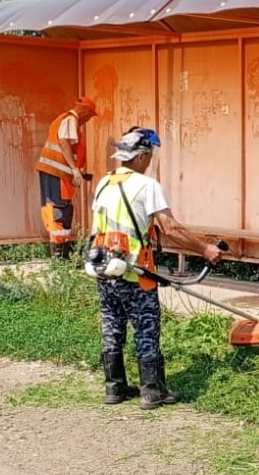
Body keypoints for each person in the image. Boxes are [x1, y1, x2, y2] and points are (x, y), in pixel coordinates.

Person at [87, 127, 224, 409]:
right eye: (150, 155)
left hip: (105, 269)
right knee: (146, 330)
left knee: (112, 328)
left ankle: (114, 387)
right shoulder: (147, 186)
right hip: (137, 273)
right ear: (141, 155)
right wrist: (206, 249)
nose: (151, 160)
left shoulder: (103, 183)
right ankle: (152, 392)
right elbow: (170, 228)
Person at [35, 97, 98, 258]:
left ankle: (62, 251)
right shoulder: (71, 120)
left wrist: (77, 171)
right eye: (90, 115)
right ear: (84, 110)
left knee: (61, 209)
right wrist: (75, 169)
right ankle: (60, 254)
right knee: (59, 210)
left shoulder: (66, 120)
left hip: (56, 172)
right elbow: (64, 143)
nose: (88, 119)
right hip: (56, 173)